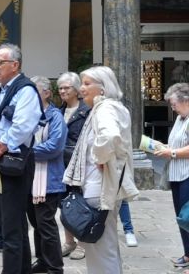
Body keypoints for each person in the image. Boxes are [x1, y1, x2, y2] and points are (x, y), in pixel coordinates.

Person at [63, 66, 139, 274]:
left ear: (103, 88)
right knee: (106, 248)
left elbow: (109, 136)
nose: (82, 88)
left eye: (88, 84)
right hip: (101, 187)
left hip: (99, 189)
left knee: (100, 250)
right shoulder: (107, 108)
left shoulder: (105, 108)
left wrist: (100, 156)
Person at [0, 43, 43, 274]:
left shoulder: (26, 90)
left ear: (15, 65)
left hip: (14, 163)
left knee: (12, 227)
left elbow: (22, 127)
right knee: (8, 223)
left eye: (0, 62)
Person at [27, 76, 67, 274]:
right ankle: (42, 260)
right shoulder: (29, 115)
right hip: (29, 177)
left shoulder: (55, 117)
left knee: (46, 224)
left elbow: (54, 146)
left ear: (47, 93)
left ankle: (55, 266)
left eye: (36, 90)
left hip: (48, 179)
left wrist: (26, 152)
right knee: (35, 223)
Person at [154, 83, 189, 270]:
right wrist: (164, 148)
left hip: (187, 174)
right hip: (176, 174)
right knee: (181, 217)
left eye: (174, 103)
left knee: (188, 216)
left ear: (185, 100)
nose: (172, 107)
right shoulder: (180, 119)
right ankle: (187, 254)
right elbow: (175, 143)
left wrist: (173, 153)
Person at [57, 72, 90, 260]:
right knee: (64, 203)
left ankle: (83, 243)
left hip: (79, 164)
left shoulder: (86, 111)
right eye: (60, 88)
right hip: (60, 164)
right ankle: (69, 241)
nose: (62, 91)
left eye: (66, 87)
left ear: (77, 90)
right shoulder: (58, 111)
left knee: (80, 203)